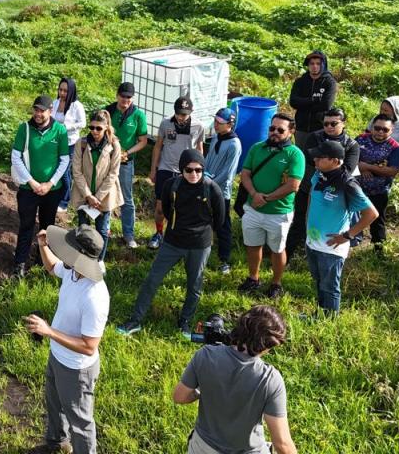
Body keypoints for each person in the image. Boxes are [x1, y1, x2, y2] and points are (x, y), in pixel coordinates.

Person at [117, 149, 224, 337]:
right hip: (173, 242)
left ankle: (185, 321)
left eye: (198, 170)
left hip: (199, 245)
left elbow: (220, 218)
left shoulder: (211, 188)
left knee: (194, 285)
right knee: (152, 280)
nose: (194, 174)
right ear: (182, 170)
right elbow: (166, 210)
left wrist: (201, 233)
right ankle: (135, 320)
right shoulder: (171, 186)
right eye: (189, 170)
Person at [25, 225, 109, 454]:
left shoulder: (95, 296)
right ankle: (57, 443)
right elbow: (53, 267)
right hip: (57, 356)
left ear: (81, 255)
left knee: (81, 422)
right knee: (54, 405)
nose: (64, 251)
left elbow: (89, 346)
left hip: (76, 369)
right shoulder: (74, 270)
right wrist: (43, 246)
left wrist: (49, 331)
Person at [173, 305, 297, 454]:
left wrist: (200, 392)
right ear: (268, 345)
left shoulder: (205, 355)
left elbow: (179, 396)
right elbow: (282, 443)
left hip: (202, 447)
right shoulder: (270, 380)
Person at [305, 140, 378, 313]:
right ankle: (320, 314)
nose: (315, 160)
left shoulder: (347, 184)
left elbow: (372, 214)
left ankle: (328, 321)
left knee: (329, 287)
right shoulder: (318, 174)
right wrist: (307, 220)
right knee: (319, 281)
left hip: (332, 247)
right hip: (312, 241)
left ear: (336, 161)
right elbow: (312, 196)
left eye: (320, 157)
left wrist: (347, 236)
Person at [238, 113, 305, 299]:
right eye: (272, 128)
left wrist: (266, 199)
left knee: (277, 249)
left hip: (278, 213)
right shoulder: (257, 148)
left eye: (280, 130)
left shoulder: (295, 154)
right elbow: (245, 174)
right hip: (253, 208)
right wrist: (254, 195)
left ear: (291, 132)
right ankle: (253, 278)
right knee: (252, 245)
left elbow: (293, 185)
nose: (274, 132)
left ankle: (276, 283)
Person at [286, 108, 360, 259]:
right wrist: (329, 165)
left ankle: (324, 254)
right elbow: (310, 159)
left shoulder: (351, 145)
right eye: (326, 124)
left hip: (335, 193)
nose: (329, 127)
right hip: (310, 186)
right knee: (300, 220)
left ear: (343, 123)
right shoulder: (315, 137)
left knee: (329, 223)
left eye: (334, 123)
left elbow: (348, 169)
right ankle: (288, 254)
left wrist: (325, 166)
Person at [11, 95, 70, 278]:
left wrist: (49, 183)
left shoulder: (60, 130)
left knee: (47, 226)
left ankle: (43, 260)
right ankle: (20, 263)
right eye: (35, 110)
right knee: (26, 225)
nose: (37, 114)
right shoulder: (25, 129)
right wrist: (32, 182)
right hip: (29, 189)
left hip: (51, 190)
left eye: (41, 110)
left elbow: (64, 160)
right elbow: (16, 157)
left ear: (50, 111)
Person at [148, 96, 205, 250]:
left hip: (186, 171)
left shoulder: (198, 126)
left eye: (184, 114)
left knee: (182, 206)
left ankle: (177, 235)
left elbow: (199, 149)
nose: (181, 117)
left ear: (191, 112)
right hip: (166, 168)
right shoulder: (166, 123)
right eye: (179, 114)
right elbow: (158, 146)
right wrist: (154, 169)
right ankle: (159, 233)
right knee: (160, 206)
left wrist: (200, 171)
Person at [69, 109, 122, 264]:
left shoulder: (114, 145)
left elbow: (113, 174)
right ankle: (82, 261)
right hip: (83, 194)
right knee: (83, 229)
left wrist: (97, 197)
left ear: (106, 127)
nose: (94, 131)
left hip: (103, 197)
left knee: (102, 231)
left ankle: (99, 262)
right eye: (91, 127)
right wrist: (88, 195)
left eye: (98, 128)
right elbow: (76, 171)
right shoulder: (82, 143)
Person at [105, 82, 148, 249]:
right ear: (117, 95)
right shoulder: (108, 110)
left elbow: (143, 141)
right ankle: (104, 229)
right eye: (123, 96)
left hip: (125, 162)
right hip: (107, 160)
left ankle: (128, 234)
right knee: (104, 193)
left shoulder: (138, 115)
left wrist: (127, 153)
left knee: (127, 198)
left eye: (129, 97)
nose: (126, 100)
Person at [356, 116, 399, 251]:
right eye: (377, 128)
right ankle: (347, 244)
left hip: (379, 191)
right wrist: (360, 167)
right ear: (372, 127)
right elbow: (349, 159)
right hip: (355, 188)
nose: (380, 132)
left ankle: (379, 251)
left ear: (391, 130)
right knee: (349, 217)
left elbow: (392, 171)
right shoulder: (360, 139)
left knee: (377, 222)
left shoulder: (395, 148)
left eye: (385, 129)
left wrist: (366, 167)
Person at [204, 107, 242, 274]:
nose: (216, 125)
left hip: (220, 191)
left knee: (222, 224)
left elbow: (228, 173)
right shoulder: (216, 137)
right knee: (204, 220)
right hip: (205, 185)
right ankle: (202, 251)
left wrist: (210, 183)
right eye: (215, 121)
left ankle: (224, 259)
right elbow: (208, 159)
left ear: (230, 124)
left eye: (220, 123)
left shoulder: (234, 144)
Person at [288, 50, 337, 148]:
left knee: (317, 158)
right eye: (312, 63)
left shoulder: (329, 82)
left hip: (320, 128)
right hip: (301, 127)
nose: (314, 66)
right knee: (301, 155)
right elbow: (293, 102)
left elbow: (326, 105)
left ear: (323, 65)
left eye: (318, 64)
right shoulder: (300, 81)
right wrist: (313, 100)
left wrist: (302, 104)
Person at [52, 77, 86, 213]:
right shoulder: (55, 103)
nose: (62, 93)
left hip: (70, 142)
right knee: (56, 169)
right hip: (55, 141)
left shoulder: (76, 105)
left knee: (65, 171)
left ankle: (65, 201)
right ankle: (57, 196)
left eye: (65, 91)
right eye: (60, 90)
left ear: (71, 91)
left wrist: (67, 127)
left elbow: (82, 123)